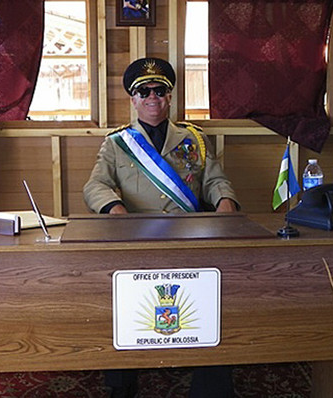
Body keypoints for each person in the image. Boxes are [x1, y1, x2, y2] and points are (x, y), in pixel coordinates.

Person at [83, 57, 238, 398]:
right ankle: (122, 385)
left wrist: (225, 204)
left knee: (216, 302)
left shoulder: (193, 139)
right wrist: (115, 209)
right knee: (119, 303)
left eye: (159, 90)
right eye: (144, 91)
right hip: (137, 240)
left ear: (169, 97)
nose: (152, 97)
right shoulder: (117, 143)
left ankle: (211, 383)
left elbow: (215, 181)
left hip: (191, 239)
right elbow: (95, 186)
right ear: (133, 99)